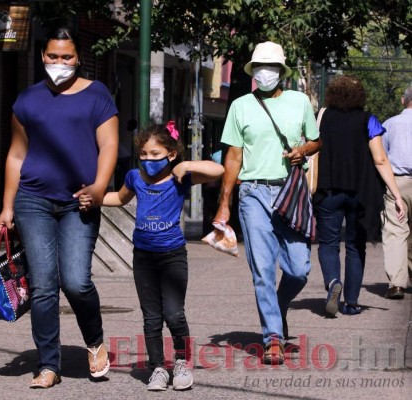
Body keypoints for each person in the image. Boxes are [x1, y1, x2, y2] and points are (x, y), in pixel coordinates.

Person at [0, 26, 118, 389]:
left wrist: (99, 188)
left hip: (79, 202)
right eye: (53, 56)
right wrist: (6, 206)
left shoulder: (97, 95)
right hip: (32, 200)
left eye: (67, 57)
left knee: (77, 282)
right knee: (45, 286)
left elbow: (109, 145)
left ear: (78, 58)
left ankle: (94, 340)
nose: (59, 63)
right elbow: (17, 154)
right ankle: (48, 364)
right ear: (42, 56)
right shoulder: (27, 100)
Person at [81, 121, 224, 391]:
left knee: (174, 314)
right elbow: (120, 199)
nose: (148, 159)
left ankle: (181, 362)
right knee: (151, 317)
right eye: (144, 154)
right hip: (143, 258)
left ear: (171, 155)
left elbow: (219, 170)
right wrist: (95, 197)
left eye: (155, 154)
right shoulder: (135, 177)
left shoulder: (181, 178)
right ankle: (157, 367)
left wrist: (188, 165)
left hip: (172, 257)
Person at [213, 41, 321, 365]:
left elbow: (315, 140)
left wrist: (303, 150)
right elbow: (233, 157)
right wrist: (224, 203)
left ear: (281, 72)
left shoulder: (300, 101)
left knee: (299, 269)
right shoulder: (241, 106)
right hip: (253, 194)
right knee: (262, 268)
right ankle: (272, 337)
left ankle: (279, 304)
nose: (265, 72)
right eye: (259, 66)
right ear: (253, 71)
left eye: (271, 67)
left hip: (291, 191)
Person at [314, 75, 405, 317]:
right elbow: (380, 159)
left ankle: (333, 282)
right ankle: (352, 302)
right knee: (355, 247)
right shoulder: (368, 120)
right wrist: (396, 194)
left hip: (328, 189)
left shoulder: (321, 118)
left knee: (328, 244)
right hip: (361, 192)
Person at [381, 85, 412, 299]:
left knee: (396, 230)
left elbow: (381, 157)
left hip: (397, 183)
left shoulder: (389, 124)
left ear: (403, 101)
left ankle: (397, 283)